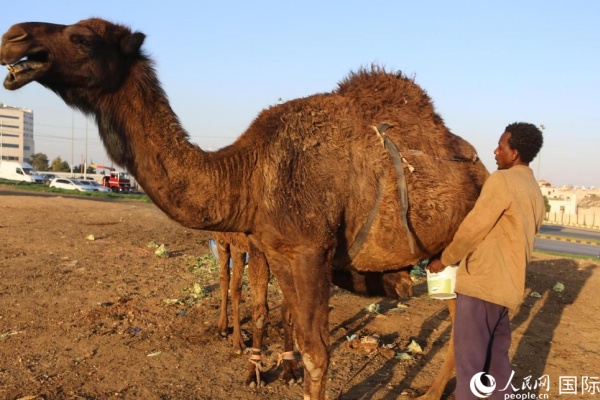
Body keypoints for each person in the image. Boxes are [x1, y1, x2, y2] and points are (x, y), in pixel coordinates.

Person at [427, 122, 545, 399]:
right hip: (506, 290)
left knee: (470, 367)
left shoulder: (502, 181)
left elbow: (473, 228)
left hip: (482, 286)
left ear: (514, 153)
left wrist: (444, 259)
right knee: (497, 366)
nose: (495, 151)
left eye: (501, 146)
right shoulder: (533, 189)